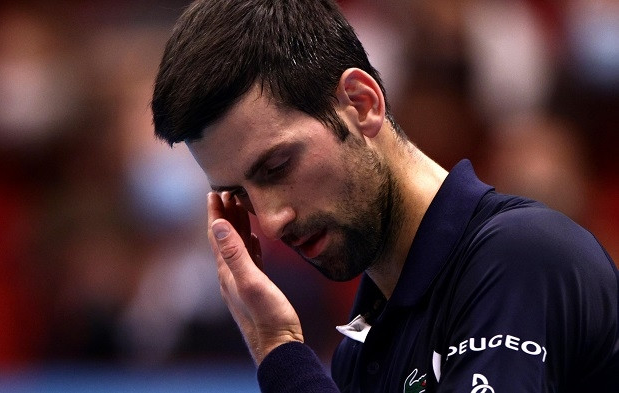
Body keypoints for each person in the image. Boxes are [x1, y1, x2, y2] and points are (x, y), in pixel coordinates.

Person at [151, 0, 619, 391]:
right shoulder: (359, 354)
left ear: (361, 103)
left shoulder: (519, 257)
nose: (270, 221)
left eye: (277, 167)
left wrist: (280, 354)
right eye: (238, 194)